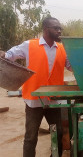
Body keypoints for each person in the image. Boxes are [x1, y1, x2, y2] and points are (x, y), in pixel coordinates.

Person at [0, 17, 72, 157]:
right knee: (31, 137)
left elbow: (71, 66)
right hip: (34, 100)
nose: (59, 31)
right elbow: (11, 54)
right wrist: (4, 54)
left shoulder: (63, 49)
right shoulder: (30, 45)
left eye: (60, 28)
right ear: (46, 29)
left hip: (53, 100)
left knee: (59, 134)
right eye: (56, 28)